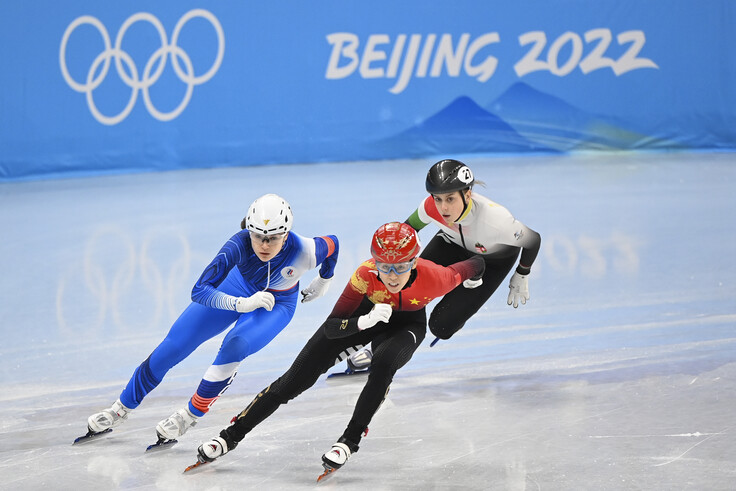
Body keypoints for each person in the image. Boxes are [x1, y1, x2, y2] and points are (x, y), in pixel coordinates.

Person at [191, 221, 486, 474]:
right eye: (384, 267)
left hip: (407, 325)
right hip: (363, 317)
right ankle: (229, 436)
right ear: (375, 263)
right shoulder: (365, 275)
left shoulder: (438, 277)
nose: (392, 275)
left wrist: (480, 278)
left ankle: (349, 440)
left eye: (400, 267)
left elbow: (476, 263)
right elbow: (333, 327)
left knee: (384, 363)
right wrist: (364, 322)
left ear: (413, 263)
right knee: (293, 381)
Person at [81, 194, 339, 445]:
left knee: (234, 345)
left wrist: (324, 279)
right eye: (258, 236)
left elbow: (333, 244)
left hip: (277, 304)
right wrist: (240, 303)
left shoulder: (306, 250)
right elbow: (199, 290)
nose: (263, 245)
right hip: (237, 288)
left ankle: (190, 415)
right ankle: (120, 408)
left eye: (272, 239)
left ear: (285, 235)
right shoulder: (238, 245)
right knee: (174, 345)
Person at [345, 158, 541, 371]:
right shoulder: (431, 207)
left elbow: (533, 239)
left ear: (467, 194)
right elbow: (407, 231)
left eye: (450, 199)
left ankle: (460, 304)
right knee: (403, 285)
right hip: (451, 243)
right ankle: (377, 347)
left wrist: (522, 273)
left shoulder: (497, 220)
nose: (443, 208)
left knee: (441, 326)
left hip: (492, 259)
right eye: (437, 199)